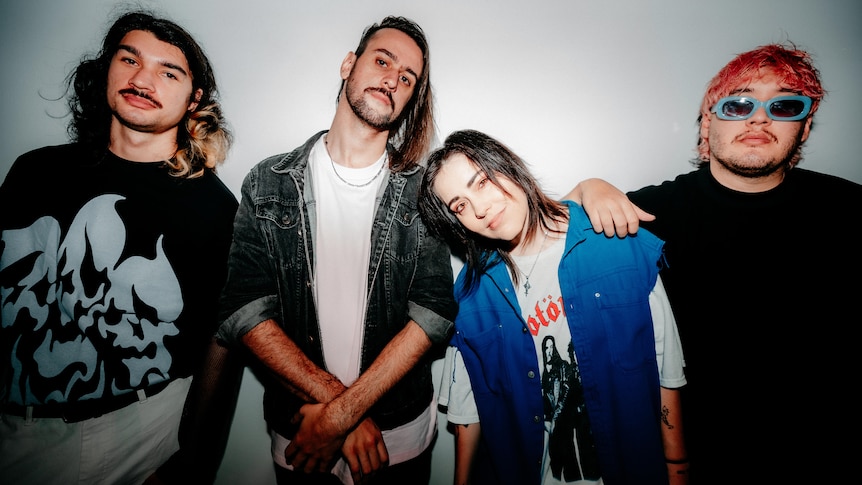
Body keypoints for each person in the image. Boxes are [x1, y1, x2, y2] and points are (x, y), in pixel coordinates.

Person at [569, 43, 862, 482]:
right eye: (739, 103)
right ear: (708, 125)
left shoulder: (849, 210)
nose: (759, 118)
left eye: (784, 105)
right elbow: (541, 231)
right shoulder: (651, 216)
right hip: (692, 460)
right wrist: (587, 189)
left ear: (803, 129)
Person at [0, 11, 241, 485]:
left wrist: (190, 466)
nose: (142, 79)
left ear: (194, 101)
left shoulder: (214, 206)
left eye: (168, 72)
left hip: (135, 431)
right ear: (106, 70)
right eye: (129, 59)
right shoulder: (32, 171)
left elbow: (222, 343)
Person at [216, 16, 457, 485]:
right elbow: (243, 310)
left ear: (411, 98)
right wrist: (339, 413)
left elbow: (432, 312)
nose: (392, 78)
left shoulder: (422, 190)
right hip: (302, 439)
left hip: (397, 440)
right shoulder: (268, 182)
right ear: (349, 64)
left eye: (407, 77)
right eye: (382, 60)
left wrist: (338, 414)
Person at [418, 129, 688, 485]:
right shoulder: (472, 291)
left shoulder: (617, 241)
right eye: (460, 206)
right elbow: (469, 405)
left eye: (482, 182)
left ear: (507, 165)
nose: (480, 209)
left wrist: (677, 467)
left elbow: (666, 365)